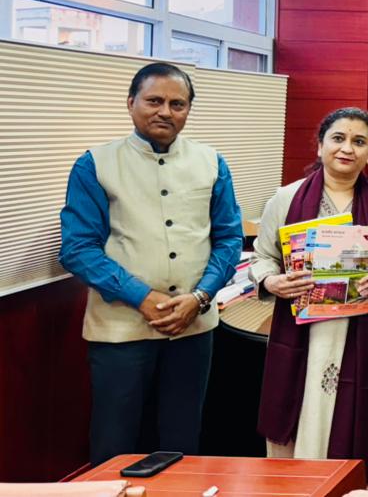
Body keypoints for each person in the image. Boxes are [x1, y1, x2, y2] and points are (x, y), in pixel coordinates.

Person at [59, 62, 243, 465]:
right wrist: (141, 297)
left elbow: (229, 238)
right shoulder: (95, 164)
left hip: (193, 326)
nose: (165, 111)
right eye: (154, 100)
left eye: (178, 104)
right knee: (115, 444)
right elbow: (78, 248)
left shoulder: (212, 162)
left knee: (182, 441)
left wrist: (201, 296)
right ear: (131, 103)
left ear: (188, 110)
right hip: (120, 330)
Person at [253, 107, 368, 489]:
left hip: (367, 332)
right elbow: (262, 256)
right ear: (320, 146)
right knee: (305, 416)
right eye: (338, 138)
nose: (347, 148)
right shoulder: (285, 198)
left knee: (364, 420)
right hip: (304, 332)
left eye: (359, 142)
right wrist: (271, 280)